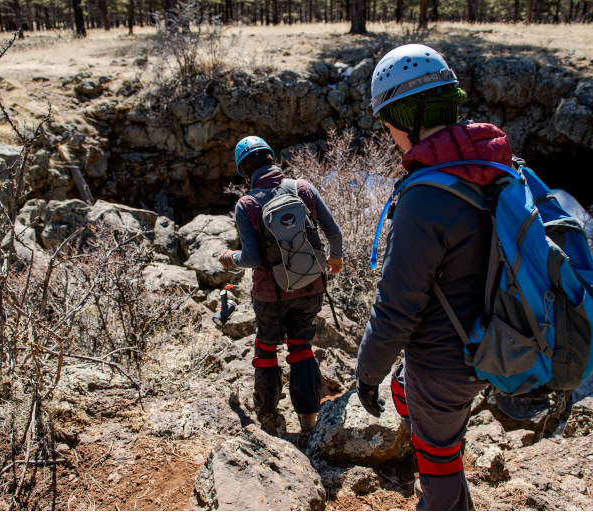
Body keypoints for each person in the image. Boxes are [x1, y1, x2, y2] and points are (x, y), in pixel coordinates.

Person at [354, 44, 514, 510]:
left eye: (388, 125)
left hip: (444, 361)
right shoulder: (491, 164)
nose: (390, 138)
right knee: (422, 413)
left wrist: (367, 372)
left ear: (408, 119)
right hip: (489, 337)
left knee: (438, 460)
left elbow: (397, 305)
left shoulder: (425, 197)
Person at [218, 136, 344, 433]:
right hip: (311, 285)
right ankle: (308, 419)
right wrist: (334, 261)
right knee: (301, 346)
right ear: (272, 159)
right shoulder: (303, 188)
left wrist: (229, 257)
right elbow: (334, 234)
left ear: (245, 172)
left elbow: (251, 258)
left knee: (265, 349)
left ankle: (267, 413)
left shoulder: (246, 204)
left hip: (270, 294)